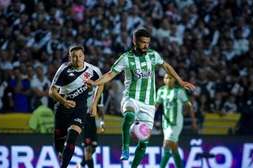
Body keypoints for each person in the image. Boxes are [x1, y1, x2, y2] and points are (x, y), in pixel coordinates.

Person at [86, 28, 195, 167]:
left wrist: (180, 81)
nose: (146, 45)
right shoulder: (126, 58)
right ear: (134, 41)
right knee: (129, 115)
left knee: (144, 143)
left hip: (149, 104)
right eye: (143, 42)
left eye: (147, 43)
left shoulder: (153, 55)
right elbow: (109, 74)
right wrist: (95, 83)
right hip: (131, 97)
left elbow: (166, 66)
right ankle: (125, 148)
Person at [49, 45, 103, 168]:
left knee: (72, 137)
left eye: (80, 56)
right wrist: (64, 101)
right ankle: (61, 155)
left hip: (80, 109)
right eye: (74, 57)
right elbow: (51, 92)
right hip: (63, 108)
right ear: (70, 57)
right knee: (59, 140)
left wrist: (94, 104)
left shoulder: (93, 70)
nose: (78, 59)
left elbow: (101, 84)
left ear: (84, 56)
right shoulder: (64, 69)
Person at [156, 73, 197, 168]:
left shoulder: (179, 91)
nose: (168, 80)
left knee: (166, 145)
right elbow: (156, 105)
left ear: (174, 80)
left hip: (176, 123)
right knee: (173, 147)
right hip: (166, 123)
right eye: (166, 78)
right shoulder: (161, 91)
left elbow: (189, 106)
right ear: (164, 80)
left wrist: (193, 121)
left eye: (170, 78)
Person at [77, 80, 104, 168]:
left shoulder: (98, 93)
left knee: (93, 149)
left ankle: (80, 165)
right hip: (85, 122)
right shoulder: (80, 94)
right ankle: (82, 165)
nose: (88, 85)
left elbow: (101, 110)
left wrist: (102, 124)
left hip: (93, 122)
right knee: (88, 150)